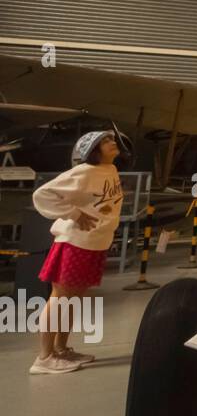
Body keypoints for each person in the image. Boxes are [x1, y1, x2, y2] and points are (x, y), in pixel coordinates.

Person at [29, 131, 124, 375]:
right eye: (104, 141)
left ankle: (61, 349)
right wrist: (74, 214)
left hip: (95, 243)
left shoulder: (110, 169)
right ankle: (44, 357)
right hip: (75, 243)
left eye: (111, 139)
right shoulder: (83, 172)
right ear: (92, 150)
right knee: (60, 297)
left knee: (74, 299)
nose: (112, 142)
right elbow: (43, 194)